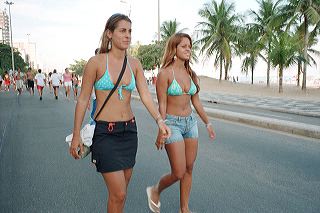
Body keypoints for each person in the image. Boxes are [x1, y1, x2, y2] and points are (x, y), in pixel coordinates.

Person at [70, 13, 171, 212]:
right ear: (109, 33)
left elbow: (145, 95)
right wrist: (75, 135)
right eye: (122, 31)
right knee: (119, 193)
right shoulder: (96, 62)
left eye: (130, 31)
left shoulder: (134, 64)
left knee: (120, 194)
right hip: (105, 133)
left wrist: (159, 120)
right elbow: (83, 100)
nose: (128, 35)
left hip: (129, 132)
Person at [146, 33, 216, 213]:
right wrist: (161, 130)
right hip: (172, 125)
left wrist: (207, 123)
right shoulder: (164, 73)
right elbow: (162, 103)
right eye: (184, 46)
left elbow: (196, 101)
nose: (188, 50)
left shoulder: (191, 74)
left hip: (190, 123)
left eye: (189, 46)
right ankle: (155, 190)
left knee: (189, 168)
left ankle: (184, 208)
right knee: (178, 172)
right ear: (174, 49)